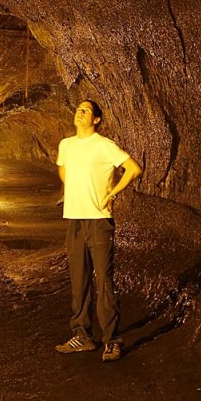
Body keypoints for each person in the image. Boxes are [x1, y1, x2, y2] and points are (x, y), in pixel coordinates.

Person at [55, 100, 142, 362]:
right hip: (75, 219)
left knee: (104, 280)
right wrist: (76, 189)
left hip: (99, 220)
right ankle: (82, 335)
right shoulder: (66, 145)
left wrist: (112, 193)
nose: (80, 113)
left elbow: (133, 169)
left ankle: (112, 340)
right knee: (79, 280)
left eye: (86, 111)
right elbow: (63, 169)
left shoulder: (104, 145)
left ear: (96, 120)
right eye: (78, 109)